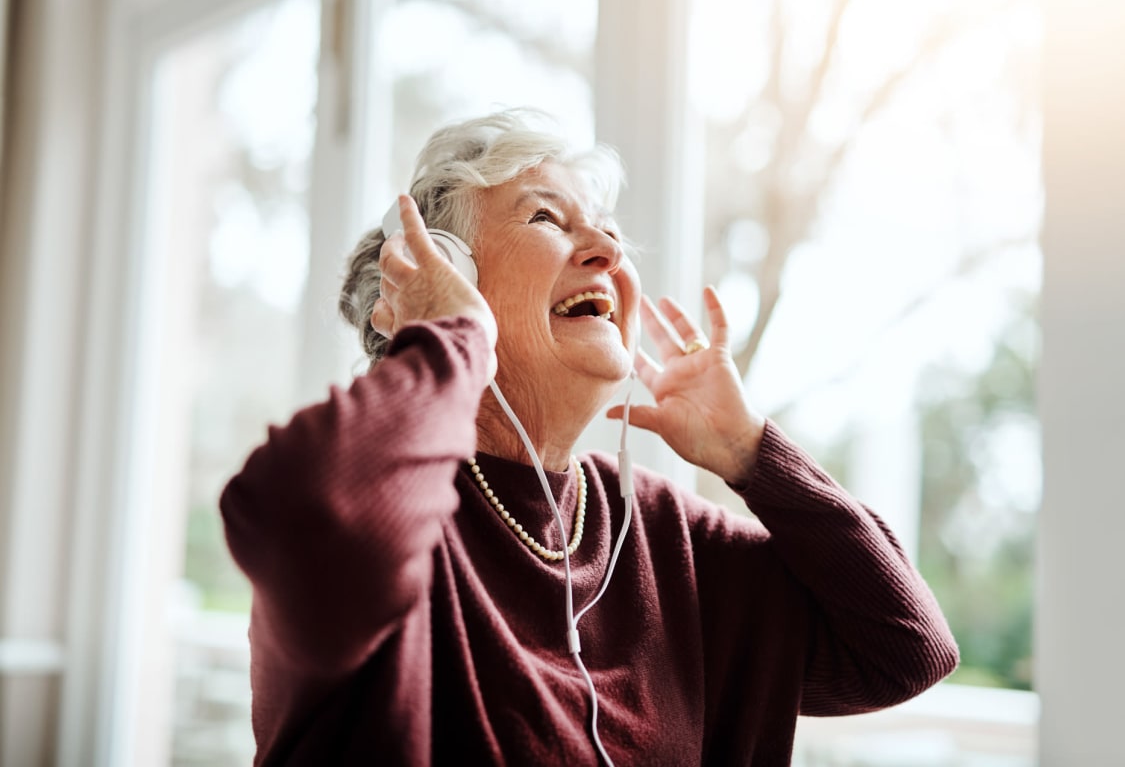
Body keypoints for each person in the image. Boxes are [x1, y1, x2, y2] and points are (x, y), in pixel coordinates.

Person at [221, 109, 958, 766]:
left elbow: (904, 648)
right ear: (446, 274)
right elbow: (296, 516)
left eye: (606, 229)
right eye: (547, 218)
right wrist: (450, 339)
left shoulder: (662, 529)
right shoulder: (375, 498)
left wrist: (753, 455)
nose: (605, 249)